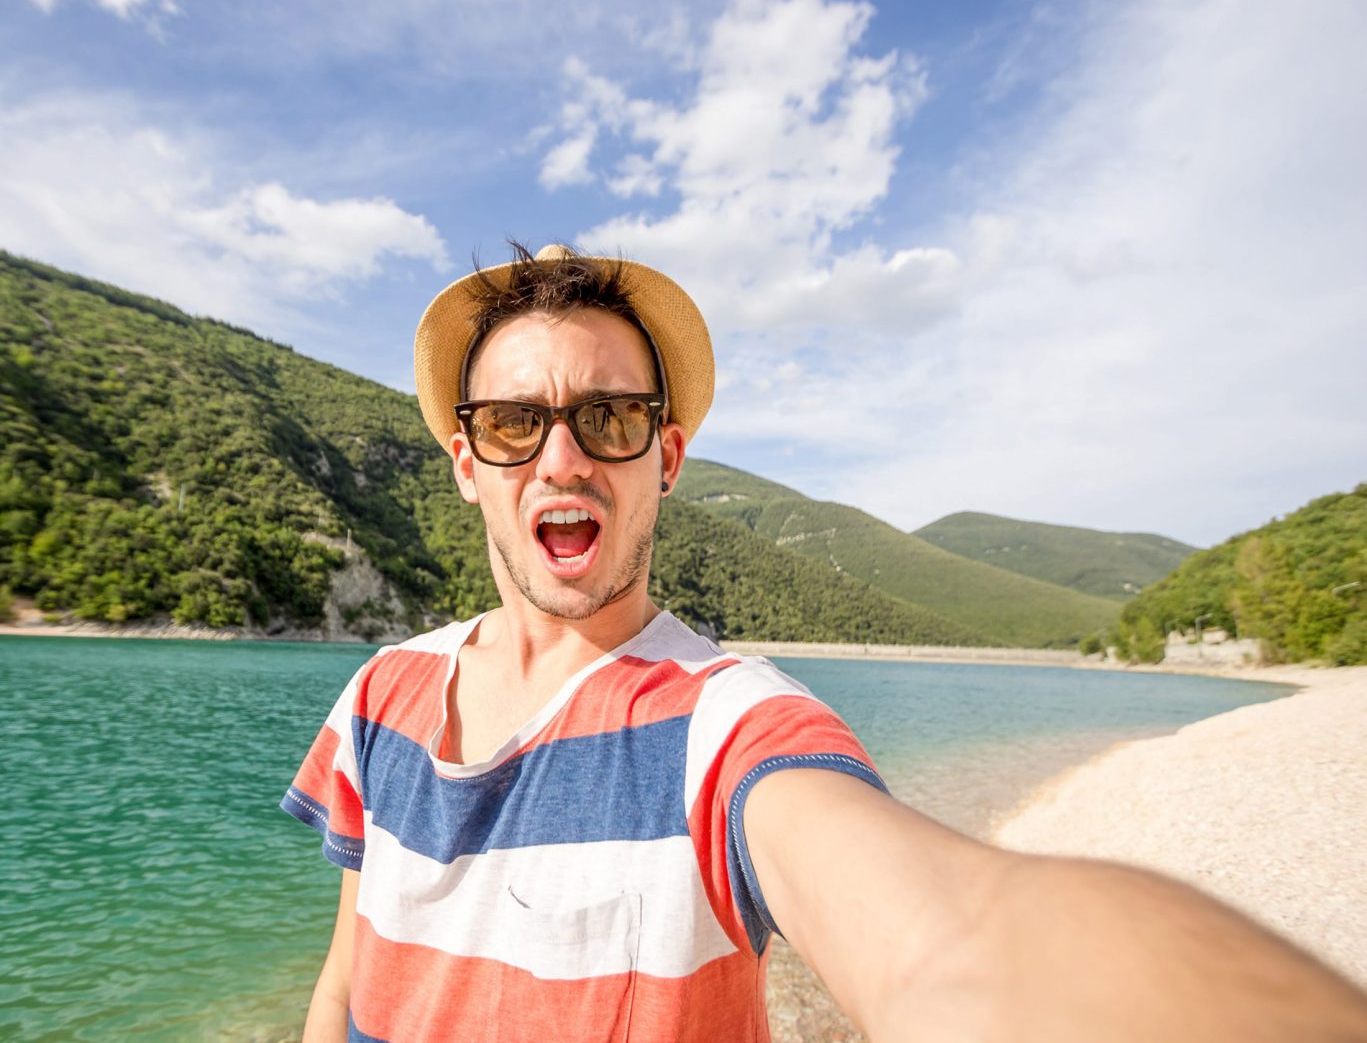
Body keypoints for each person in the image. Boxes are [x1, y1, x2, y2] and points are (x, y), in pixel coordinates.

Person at [282, 243, 1367, 1042]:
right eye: (514, 422)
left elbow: (949, 930)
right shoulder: (382, 691)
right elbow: (345, 977)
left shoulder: (731, 726)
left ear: (662, 457)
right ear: (467, 461)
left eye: (608, 417)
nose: (560, 455)